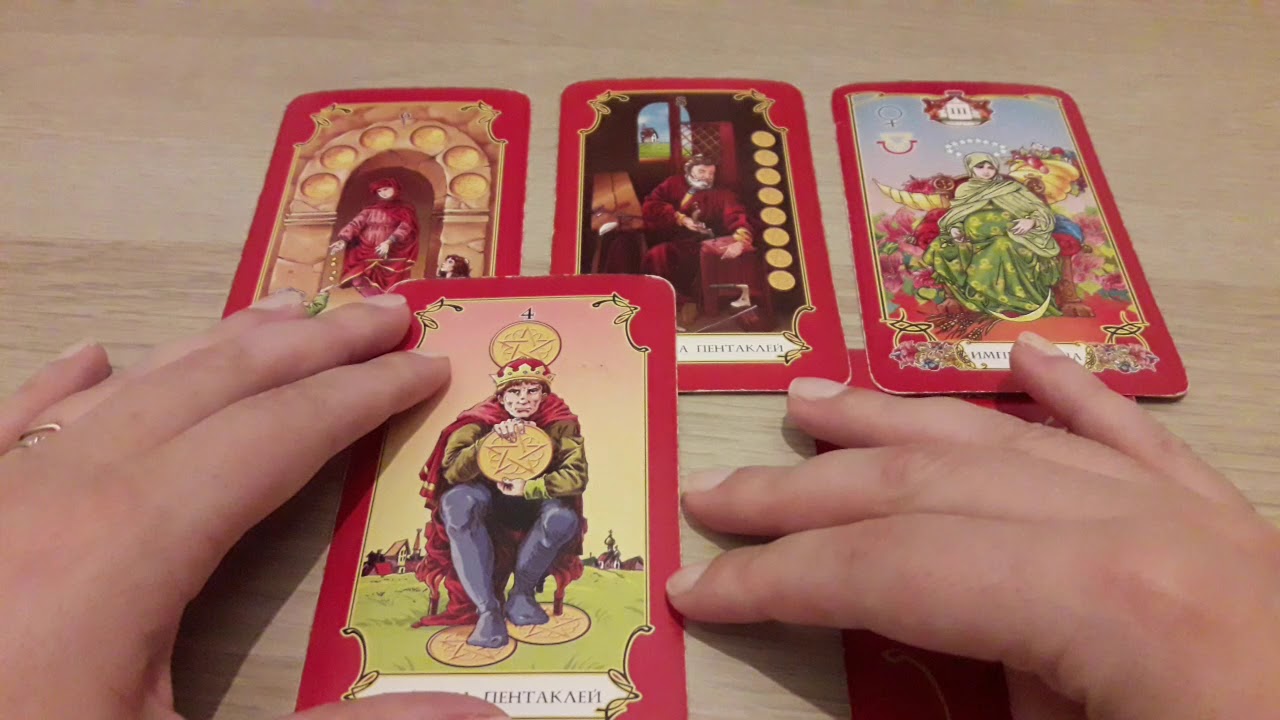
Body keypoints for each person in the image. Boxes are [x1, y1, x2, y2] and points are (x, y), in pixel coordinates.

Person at [0, 291, 1276, 720]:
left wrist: (539, 478)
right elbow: (449, 479)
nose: (515, 396)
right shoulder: (478, 425)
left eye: (525, 389)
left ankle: (521, 603)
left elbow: (570, 482)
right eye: (507, 389)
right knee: (461, 521)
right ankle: (492, 618)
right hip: (479, 520)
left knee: (557, 527)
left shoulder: (556, 424)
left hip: (544, 521)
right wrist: (475, 470)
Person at [414, 357, 587, 648]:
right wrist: (489, 442)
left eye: (532, 391)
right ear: (501, 396)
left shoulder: (560, 422)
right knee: (456, 502)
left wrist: (529, 487)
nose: (523, 399)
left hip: (535, 502)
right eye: (515, 392)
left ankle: (522, 594)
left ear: (544, 395)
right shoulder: (479, 420)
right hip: (487, 504)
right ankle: (488, 611)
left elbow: (576, 476)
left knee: (562, 518)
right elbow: (452, 471)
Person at [926, 152, 1062, 320]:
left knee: (1001, 245)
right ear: (971, 169)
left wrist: (1032, 222)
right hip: (973, 241)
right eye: (980, 167)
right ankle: (982, 301)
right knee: (940, 246)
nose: (986, 171)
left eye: (990, 167)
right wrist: (955, 229)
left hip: (1014, 238)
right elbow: (957, 216)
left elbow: (1041, 211)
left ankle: (1014, 303)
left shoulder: (1011, 188)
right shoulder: (965, 190)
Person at [639, 155, 756, 312]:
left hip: (697, 242)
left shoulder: (722, 194)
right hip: (665, 234)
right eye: (702, 171)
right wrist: (680, 218)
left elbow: (737, 216)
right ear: (689, 171)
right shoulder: (673, 183)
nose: (707, 177)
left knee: (660, 255)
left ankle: (679, 302)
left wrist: (741, 241)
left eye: (711, 173)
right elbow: (650, 204)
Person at [329, 177, 420, 295]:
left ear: (395, 189)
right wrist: (343, 240)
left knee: (392, 285)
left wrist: (388, 242)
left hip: (392, 252)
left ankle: (386, 303)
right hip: (365, 251)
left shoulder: (404, 210)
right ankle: (374, 300)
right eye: (379, 191)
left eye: (386, 189)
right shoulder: (370, 209)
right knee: (359, 280)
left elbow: (405, 227)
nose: (383, 193)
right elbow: (355, 224)